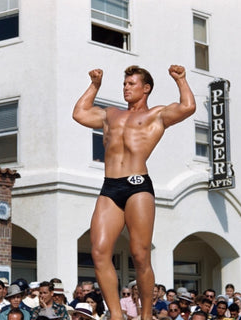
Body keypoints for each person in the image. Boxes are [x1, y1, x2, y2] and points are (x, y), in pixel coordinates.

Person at [73, 64, 195, 320]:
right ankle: (116, 315)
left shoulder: (156, 115)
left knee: (140, 254)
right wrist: (95, 86)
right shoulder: (110, 114)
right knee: (99, 251)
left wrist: (181, 79)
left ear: (146, 88)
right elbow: (80, 114)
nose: (126, 88)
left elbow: (187, 107)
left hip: (138, 185)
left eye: (131, 84)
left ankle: (146, 314)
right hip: (110, 187)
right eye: (124, 84)